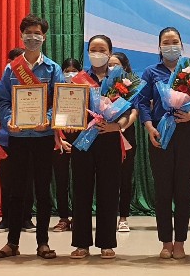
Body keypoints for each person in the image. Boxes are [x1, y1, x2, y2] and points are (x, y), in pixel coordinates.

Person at [0, 15, 64, 259]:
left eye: (37, 33)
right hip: (18, 137)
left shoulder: (53, 69)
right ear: (21, 36)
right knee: (16, 191)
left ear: (44, 37)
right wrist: (9, 120)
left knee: (43, 191)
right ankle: (12, 243)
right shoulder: (11, 69)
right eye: (28, 33)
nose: (33, 37)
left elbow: (58, 101)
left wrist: (49, 119)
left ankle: (43, 242)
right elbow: (3, 101)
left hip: (43, 136)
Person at [137, 28, 190, 259]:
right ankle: (166, 241)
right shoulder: (151, 72)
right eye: (166, 42)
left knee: (184, 190)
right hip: (160, 133)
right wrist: (149, 127)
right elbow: (142, 102)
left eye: (175, 41)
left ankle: (180, 242)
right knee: (163, 190)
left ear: (182, 45)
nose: (171, 46)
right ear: (159, 46)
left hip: (186, 132)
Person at [70, 35, 134, 259]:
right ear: (88, 52)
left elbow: (129, 110)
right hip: (83, 141)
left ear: (110, 52)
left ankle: (107, 243)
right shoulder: (78, 79)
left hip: (109, 139)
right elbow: (68, 107)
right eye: (93, 49)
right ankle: (81, 243)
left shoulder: (121, 81)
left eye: (102, 49)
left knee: (109, 191)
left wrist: (118, 126)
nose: (97, 53)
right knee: (81, 191)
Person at [0, 48, 37, 234]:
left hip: (31, 136)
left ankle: (26, 218)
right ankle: (6, 219)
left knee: (28, 180)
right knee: (7, 181)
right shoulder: (3, 83)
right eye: (11, 61)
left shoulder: (35, 83)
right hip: (6, 138)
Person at [51, 57, 82, 232]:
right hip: (60, 140)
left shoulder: (86, 90)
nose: (71, 74)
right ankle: (63, 218)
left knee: (80, 180)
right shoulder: (56, 90)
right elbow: (52, 114)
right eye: (67, 71)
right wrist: (59, 138)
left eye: (74, 70)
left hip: (82, 140)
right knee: (61, 180)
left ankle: (78, 217)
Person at [109, 51, 139, 233]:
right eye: (109, 65)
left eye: (116, 65)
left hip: (126, 133)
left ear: (124, 67)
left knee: (125, 178)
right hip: (105, 133)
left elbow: (135, 111)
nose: (112, 68)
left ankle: (123, 217)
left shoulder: (132, 85)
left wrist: (122, 126)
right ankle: (108, 216)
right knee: (107, 179)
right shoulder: (103, 84)